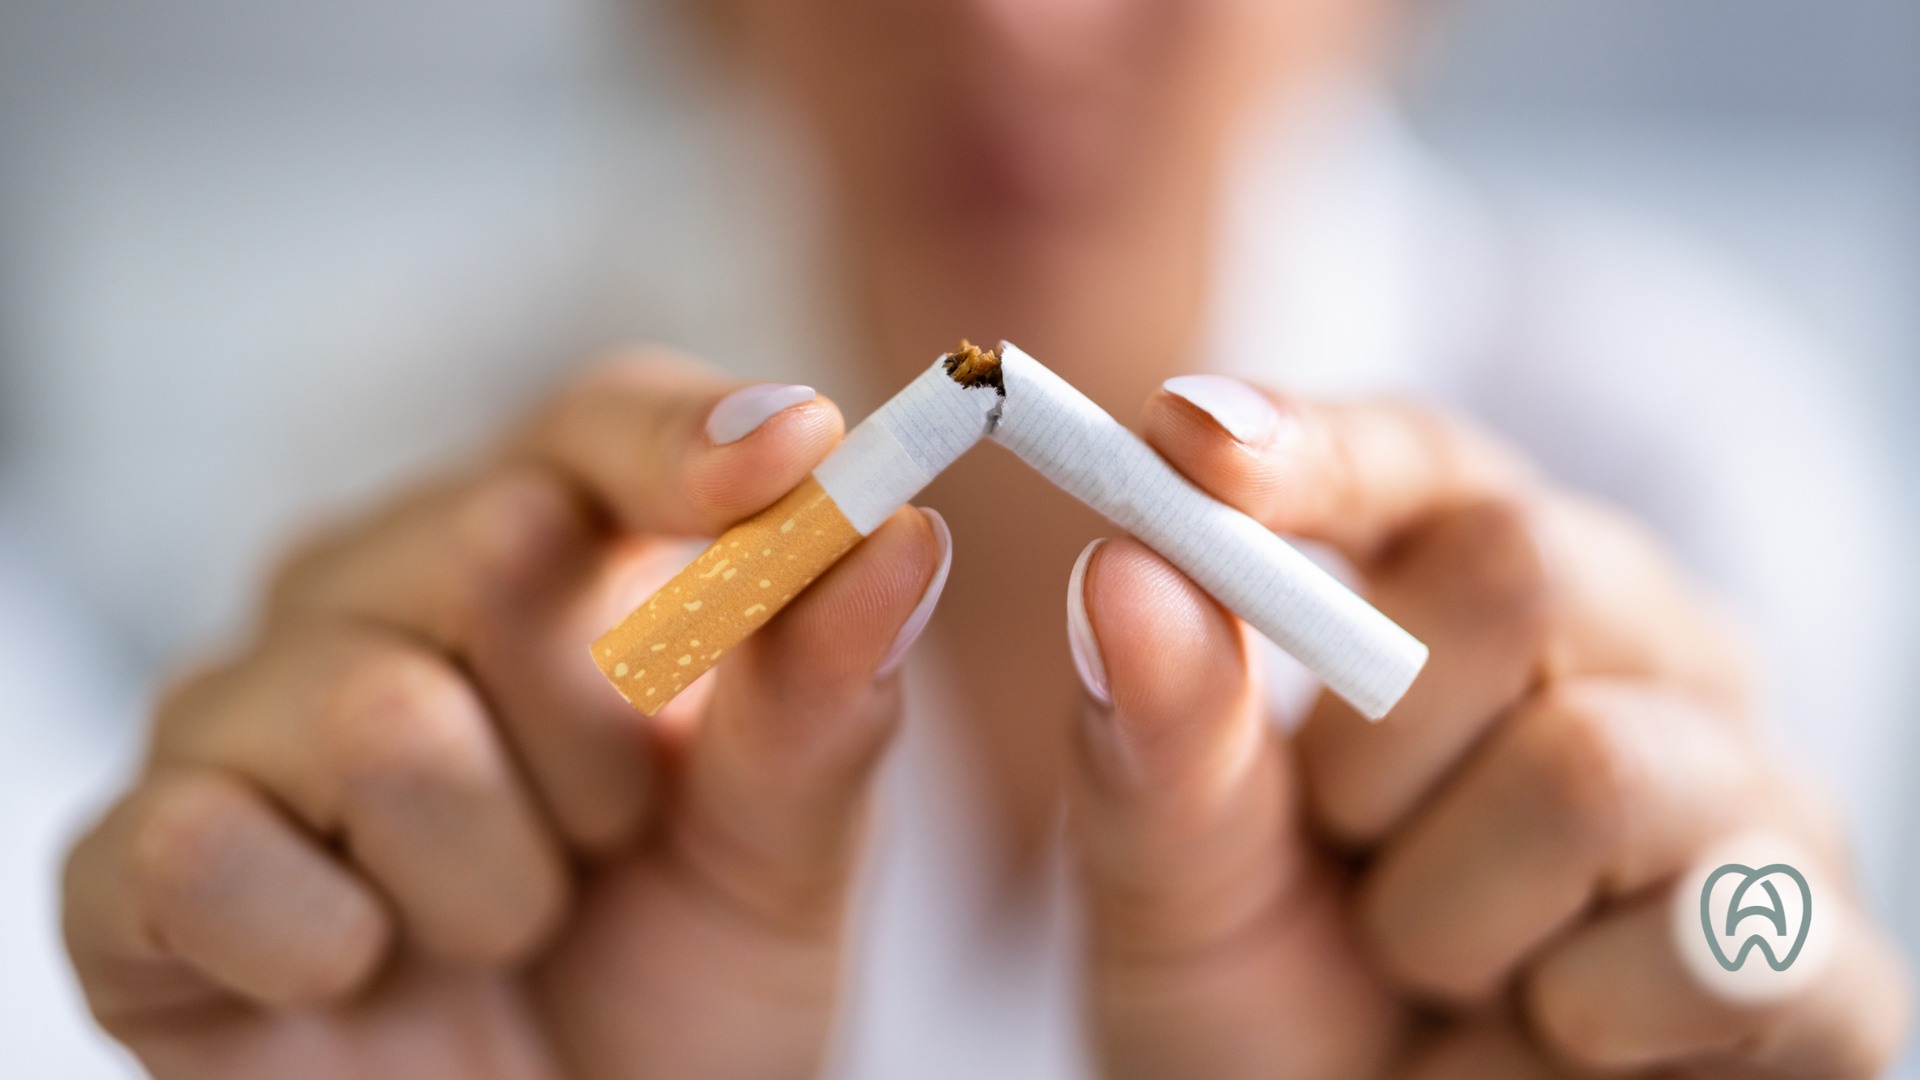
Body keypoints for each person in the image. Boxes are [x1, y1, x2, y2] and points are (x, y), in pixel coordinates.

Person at [57, 0, 1913, 1077]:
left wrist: (1767, 972)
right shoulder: (439, 481)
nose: (1017, 22)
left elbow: (1767, 947)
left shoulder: (1682, 472)